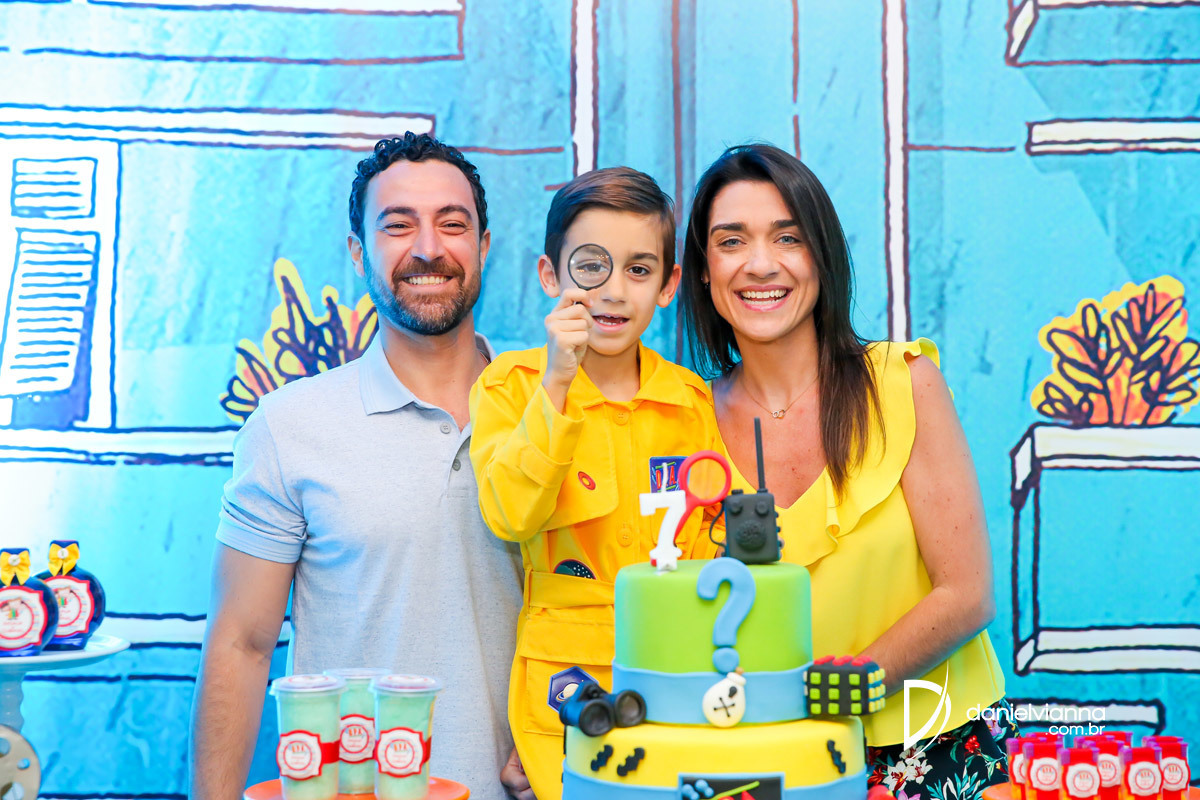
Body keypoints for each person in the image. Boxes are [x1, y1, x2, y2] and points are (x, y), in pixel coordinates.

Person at [189, 133, 529, 800]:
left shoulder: (556, 414)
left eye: (452, 224)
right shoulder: (289, 427)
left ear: (484, 245)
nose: (428, 248)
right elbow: (240, 646)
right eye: (398, 225)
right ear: (357, 251)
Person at [678, 143, 1016, 799]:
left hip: (937, 752)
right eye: (731, 241)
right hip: (762, 764)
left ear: (823, 257)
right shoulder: (681, 423)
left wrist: (830, 698)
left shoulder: (903, 384)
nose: (760, 263)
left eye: (788, 237)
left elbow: (967, 594)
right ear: (701, 271)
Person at [469, 167, 724, 800]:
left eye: (638, 270)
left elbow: (716, 539)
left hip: (676, 679)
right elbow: (509, 514)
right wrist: (558, 382)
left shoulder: (690, 402)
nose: (613, 290)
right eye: (591, 266)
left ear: (667, 285)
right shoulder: (511, 387)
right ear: (550, 275)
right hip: (566, 688)